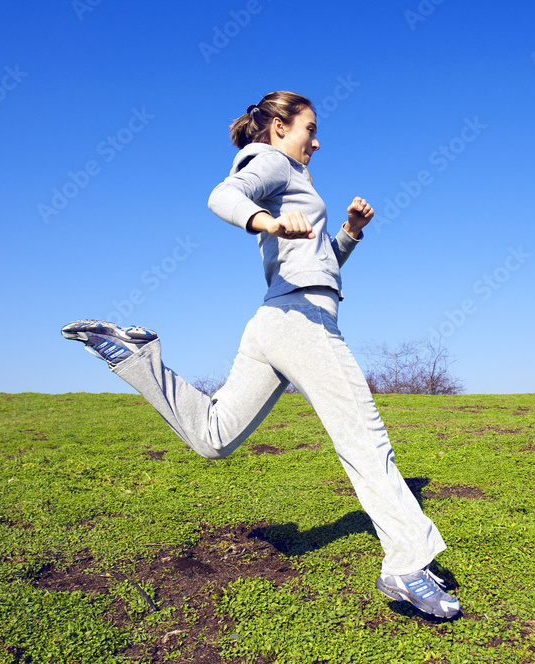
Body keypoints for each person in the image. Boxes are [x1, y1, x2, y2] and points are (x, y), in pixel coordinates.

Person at [61, 91, 460, 619]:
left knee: (215, 436)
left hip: (273, 321)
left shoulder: (296, 179)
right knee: (364, 438)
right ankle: (407, 563)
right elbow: (222, 195)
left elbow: (316, 260)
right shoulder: (271, 161)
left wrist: (350, 234)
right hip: (303, 323)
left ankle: (136, 356)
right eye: (309, 128)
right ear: (278, 125)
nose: (316, 140)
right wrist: (264, 222)